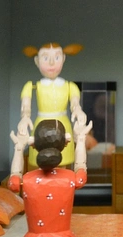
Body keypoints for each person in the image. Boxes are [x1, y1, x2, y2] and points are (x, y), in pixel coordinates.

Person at [17, 42, 87, 170]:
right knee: (41, 164)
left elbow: (75, 104)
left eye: (57, 57)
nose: (51, 63)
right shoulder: (32, 86)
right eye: (45, 58)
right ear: (37, 61)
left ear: (63, 59)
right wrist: (25, 117)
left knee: (62, 164)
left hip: (63, 127)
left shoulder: (70, 86)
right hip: (41, 128)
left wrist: (78, 110)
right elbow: (25, 107)